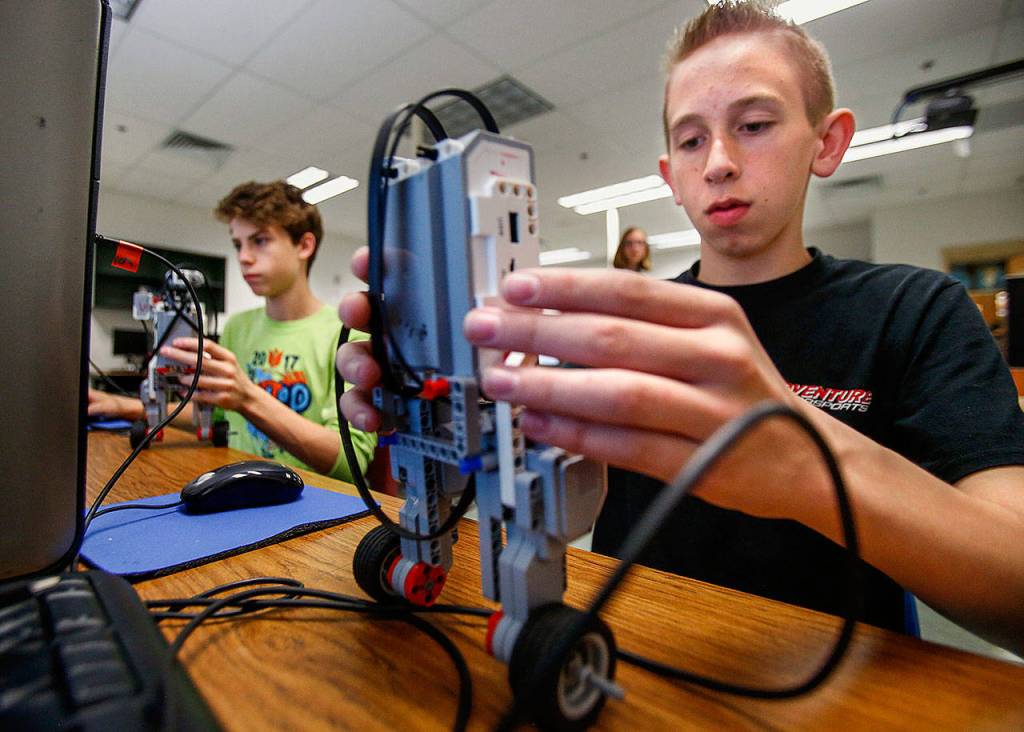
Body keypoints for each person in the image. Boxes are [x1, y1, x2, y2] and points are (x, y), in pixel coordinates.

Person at [336, 1, 1024, 654]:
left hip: (837, 693)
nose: (718, 161)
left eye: (754, 125)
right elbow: (533, 468)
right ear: (670, 174)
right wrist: (433, 395)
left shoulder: (917, 311)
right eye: (691, 139)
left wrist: (804, 464)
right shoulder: (618, 329)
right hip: (626, 661)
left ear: (828, 140)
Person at [90, 180, 375, 483]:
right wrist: (118, 405)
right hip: (240, 490)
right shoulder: (239, 327)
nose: (244, 257)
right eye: (238, 244)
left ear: (304, 245)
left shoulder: (348, 336)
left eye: (260, 240)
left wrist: (248, 397)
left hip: (318, 503)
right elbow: (221, 414)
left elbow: (350, 461)